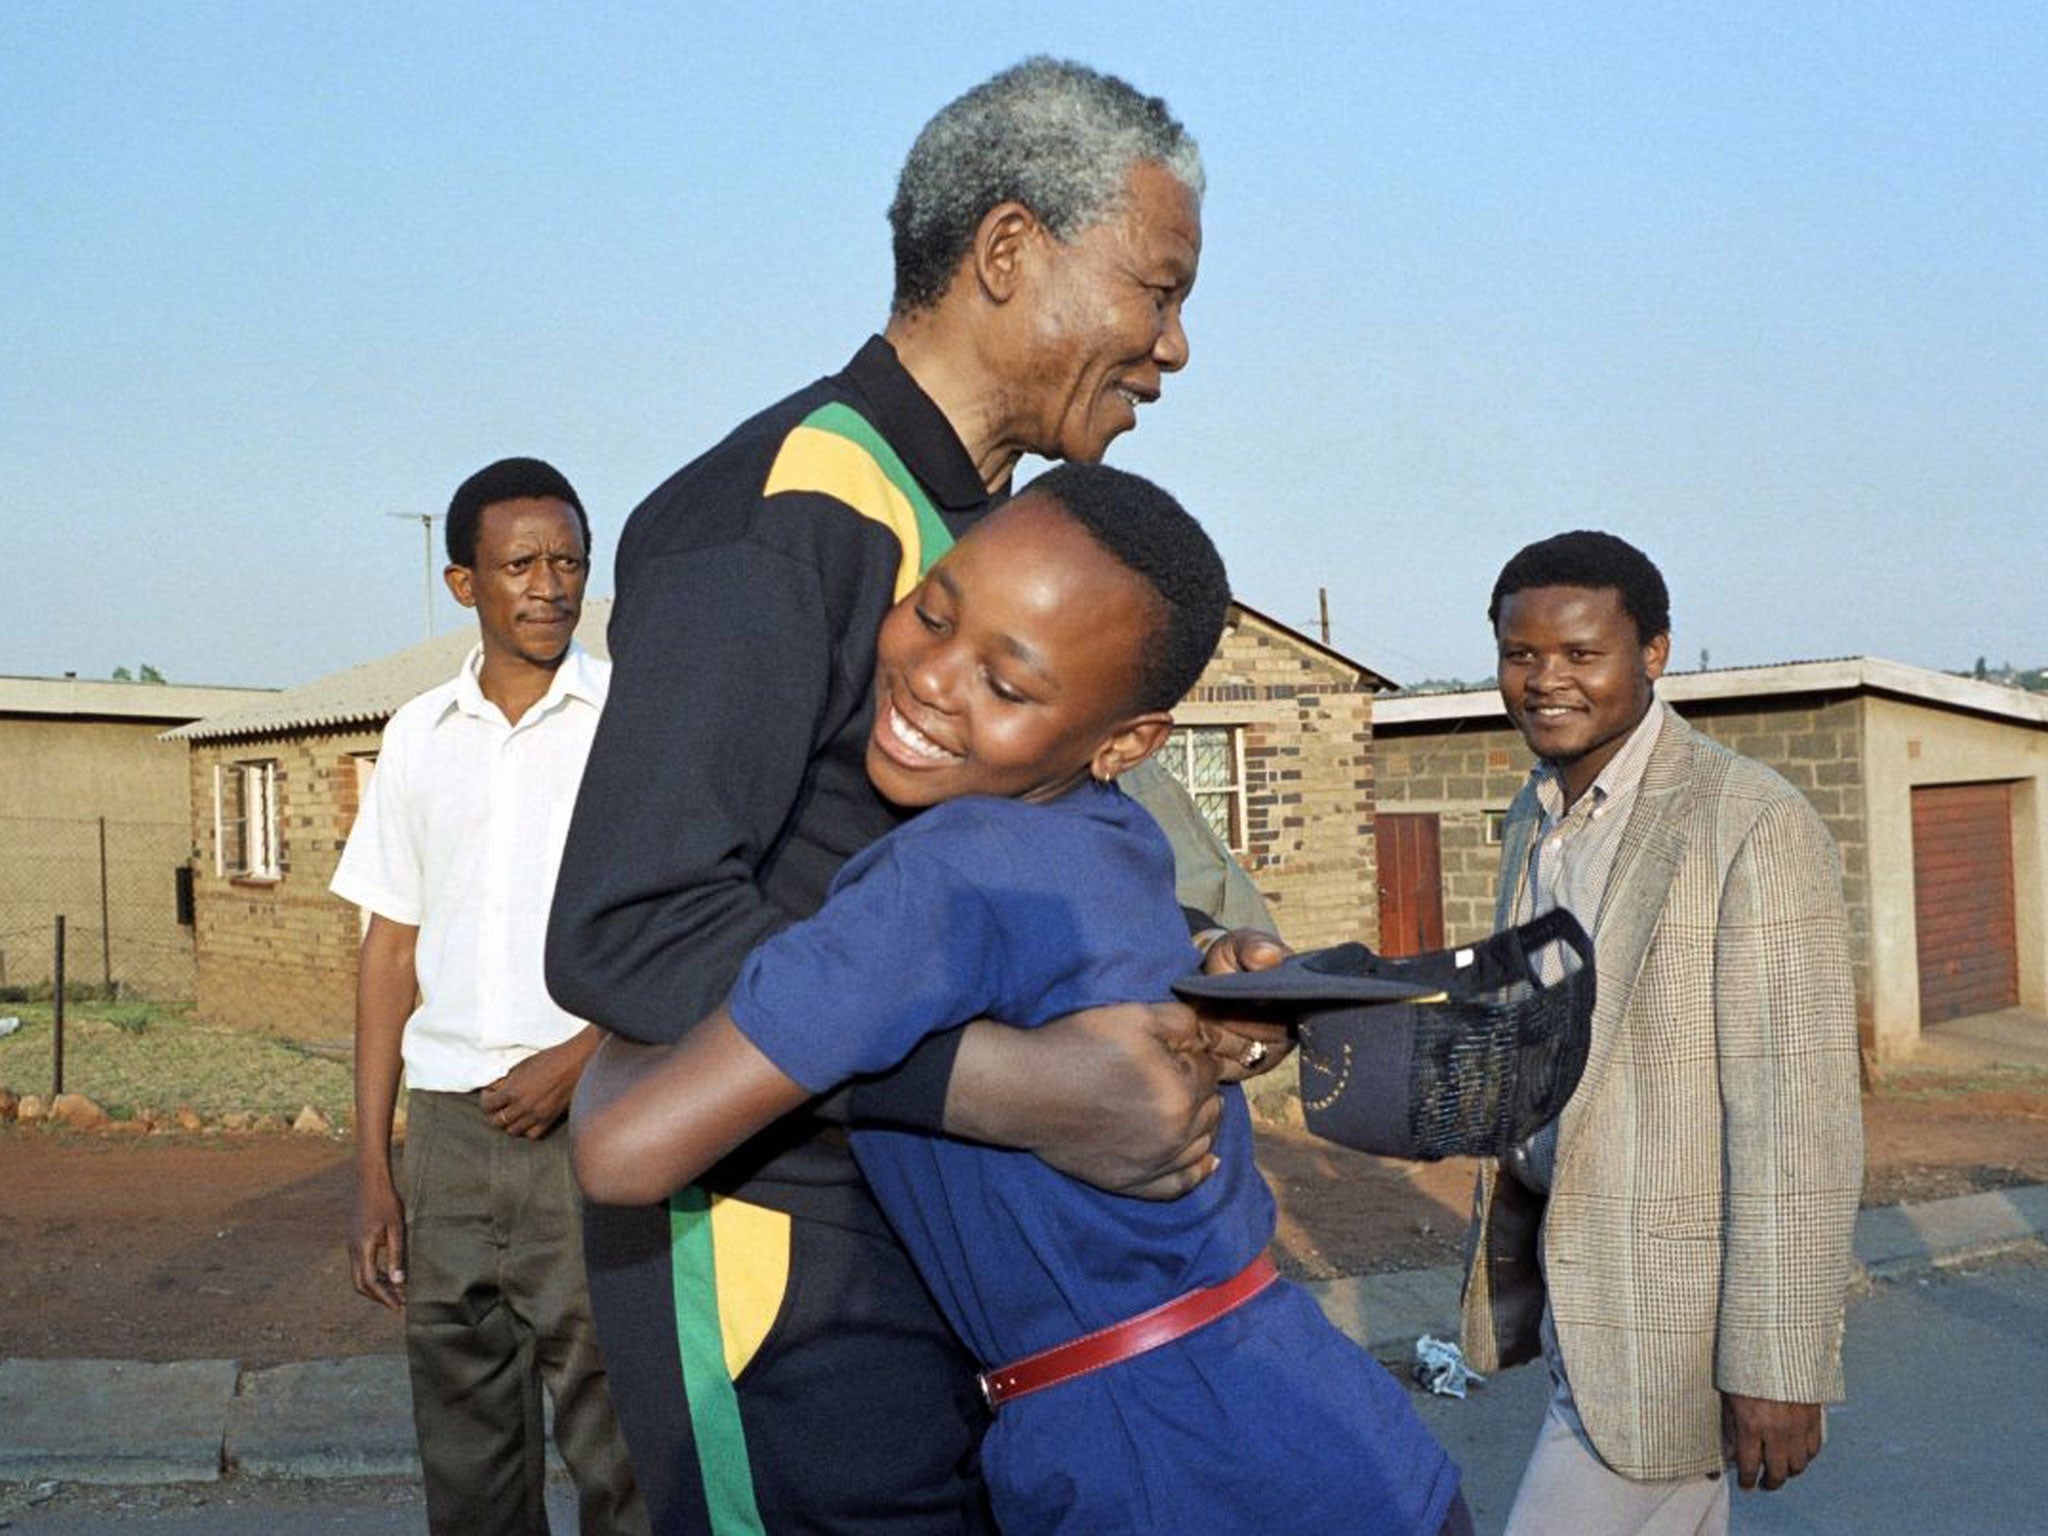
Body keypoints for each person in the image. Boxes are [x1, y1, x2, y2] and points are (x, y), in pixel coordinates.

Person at [546, 58, 1285, 1535]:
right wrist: (1017, 1089)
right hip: (782, 1294)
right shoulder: (784, 514)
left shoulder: (996, 538)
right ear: (1008, 252)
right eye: (1156, 288)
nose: (1177, 346)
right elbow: (627, 933)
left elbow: (985, 880)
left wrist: (1179, 978)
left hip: (945, 1262)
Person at [573, 465, 1467, 1536]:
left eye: (1005, 686)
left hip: (1162, 1469)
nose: (932, 679)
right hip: (1314, 1423)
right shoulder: (1114, 837)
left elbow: (619, 1152)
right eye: (934, 613)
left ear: (1127, 743)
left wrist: (620, 1027)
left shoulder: (936, 875)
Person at [1459, 530, 1864, 1534]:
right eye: (1521, 655)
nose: (1544, 681)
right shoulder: (1534, 814)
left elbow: (1796, 1117)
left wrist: (1775, 1362)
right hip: (1572, 1287)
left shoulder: (1746, 823)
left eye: (1579, 654)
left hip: (1672, 1322)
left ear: (1652, 653)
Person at [334, 457, 647, 1536]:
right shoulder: (420, 734)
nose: (550, 586)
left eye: (568, 561)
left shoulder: (631, 721)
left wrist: (582, 1055)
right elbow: (388, 952)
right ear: (465, 581)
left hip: (595, 1121)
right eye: (520, 564)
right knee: (467, 1463)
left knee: (621, 1452)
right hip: (452, 1144)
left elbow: (686, 928)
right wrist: (375, 1169)